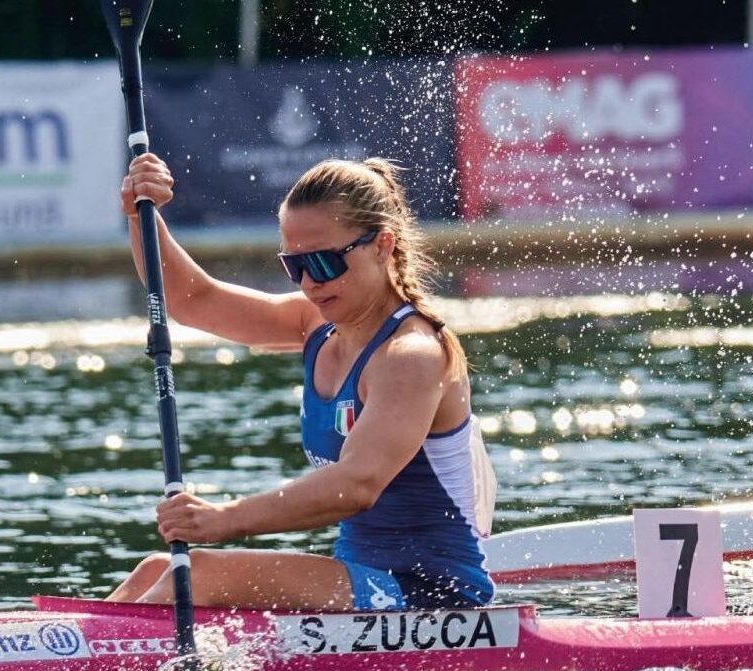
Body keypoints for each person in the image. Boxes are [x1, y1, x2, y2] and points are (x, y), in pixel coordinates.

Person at [105, 152, 496, 611]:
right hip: (364, 584)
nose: (310, 283)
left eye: (326, 262)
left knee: (198, 575)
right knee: (158, 569)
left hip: (433, 597)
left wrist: (225, 519)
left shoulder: (411, 355)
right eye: (295, 266)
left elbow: (358, 484)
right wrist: (141, 215)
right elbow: (193, 300)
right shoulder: (315, 324)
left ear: (382, 245)